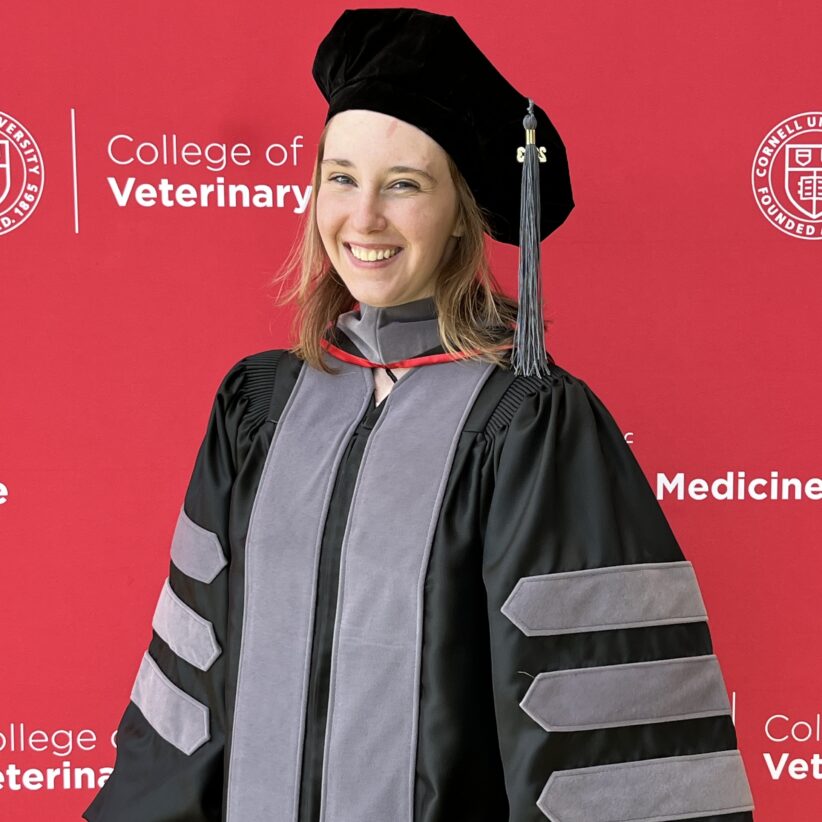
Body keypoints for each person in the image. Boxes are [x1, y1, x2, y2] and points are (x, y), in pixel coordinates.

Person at [83, 8, 755, 822]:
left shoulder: (527, 424)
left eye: (403, 184)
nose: (363, 218)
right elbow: (185, 703)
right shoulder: (257, 409)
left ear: (463, 214)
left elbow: (596, 739)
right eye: (340, 177)